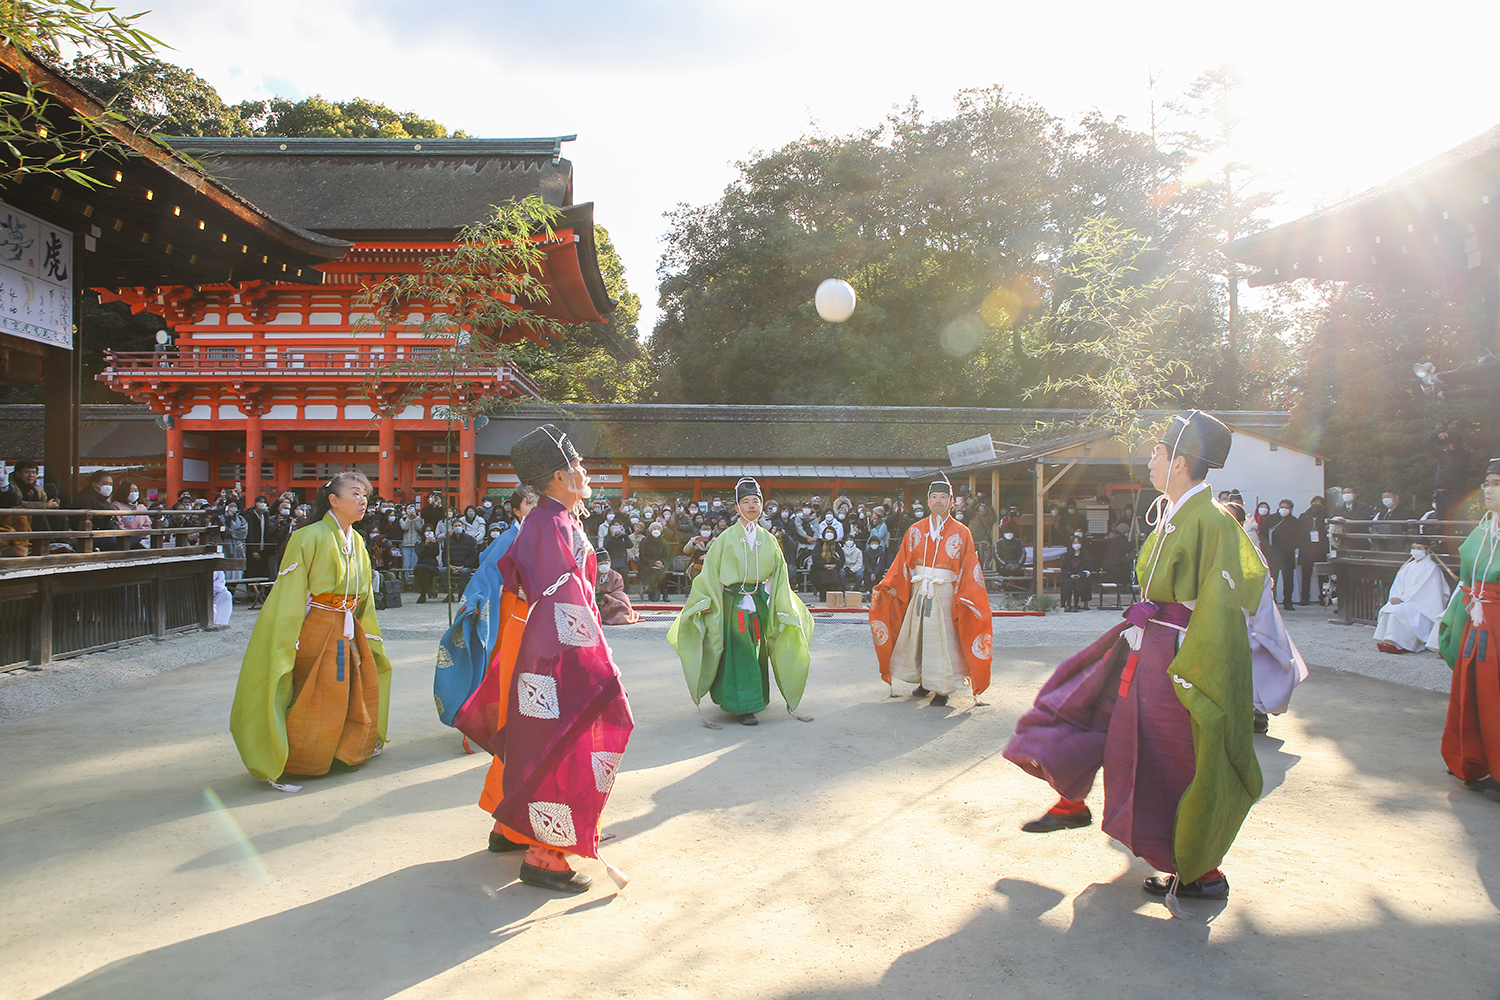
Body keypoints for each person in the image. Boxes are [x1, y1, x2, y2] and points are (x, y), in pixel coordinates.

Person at [1004, 410, 1265, 906]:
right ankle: (1090, 807)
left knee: (1180, 756)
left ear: (1182, 462)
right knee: (1109, 722)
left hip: (1182, 652)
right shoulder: (1173, 511)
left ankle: (1202, 868)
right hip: (1150, 640)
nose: (1150, 460)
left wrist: (1193, 660)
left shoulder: (1211, 520)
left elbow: (1226, 599)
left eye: (1159, 453)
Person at [452, 424, 634, 893]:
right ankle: (546, 856)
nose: (584, 471)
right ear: (558, 476)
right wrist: (597, 661)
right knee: (566, 742)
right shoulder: (551, 523)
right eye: (576, 466)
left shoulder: (554, 519)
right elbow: (565, 602)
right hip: (556, 656)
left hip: (543, 650)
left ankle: (511, 829)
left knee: (534, 740)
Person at [229, 472, 392, 792]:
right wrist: (293, 634)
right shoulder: (309, 536)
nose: (363, 501)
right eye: (356, 494)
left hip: (348, 624)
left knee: (350, 687)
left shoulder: (357, 539)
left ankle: (343, 751)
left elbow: (365, 595)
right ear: (333, 500)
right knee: (318, 693)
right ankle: (305, 758)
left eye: (366, 496)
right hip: (318, 622)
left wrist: (364, 629)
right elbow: (292, 592)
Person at [668, 477, 813, 727]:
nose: (751, 506)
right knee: (740, 650)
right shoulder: (726, 538)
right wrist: (703, 601)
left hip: (758, 602)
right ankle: (744, 706)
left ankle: (752, 698)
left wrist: (783, 605)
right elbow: (710, 572)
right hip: (733, 601)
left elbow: (779, 576)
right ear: (737, 507)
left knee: (758, 651)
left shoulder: (768, 539)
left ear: (762, 505)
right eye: (745, 501)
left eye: (755, 501)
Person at [869, 475, 992, 708]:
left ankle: (943, 688)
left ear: (951, 501)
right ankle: (925, 681)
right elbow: (902, 562)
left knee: (943, 639)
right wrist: (886, 587)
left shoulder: (962, 531)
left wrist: (965, 595)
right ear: (927, 501)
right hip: (919, 589)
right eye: (934, 497)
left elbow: (969, 567)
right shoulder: (915, 529)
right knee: (919, 636)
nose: (938, 501)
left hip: (945, 591)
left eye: (943, 497)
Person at [434, 486, 539, 737]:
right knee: (506, 663)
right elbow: (485, 575)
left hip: (535, 609)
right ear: (516, 511)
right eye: (529, 504)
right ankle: (499, 721)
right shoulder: (507, 539)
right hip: (510, 609)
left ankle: (527, 718)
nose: (535, 509)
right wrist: (475, 601)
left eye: (538, 504)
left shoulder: (540, 537)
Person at [1437, 455, 1500, 798]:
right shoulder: (1484, 527)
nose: (1488, 490)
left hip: (1497, 619)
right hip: (1476, 617)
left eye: (1496, 484)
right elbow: (1466, 579)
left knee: (1495, 695)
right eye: (1487, 484)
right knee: (1469, 689)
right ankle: (1471, 756)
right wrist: (1455, 617)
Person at [1375, 539, 1451, 654]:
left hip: (1420, 606)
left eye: (1420, 548)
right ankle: (1389, 640)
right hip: (1405, 602)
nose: (1416, 551)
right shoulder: (1408, 566)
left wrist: (1403, 599)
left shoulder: (1431, 568)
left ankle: (1402, 644)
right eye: (1414, 548)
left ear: (1427, 550)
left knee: (1396, 610)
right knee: (1389, 608)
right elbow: (1398, 584)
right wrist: (1395, 597)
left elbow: (1426, 590)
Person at [0, 459, 60, 557]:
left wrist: (53, 498)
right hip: (11, 517)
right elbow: (18, 503)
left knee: (58, 516)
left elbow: (47, 502)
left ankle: (61, 542)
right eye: (26, 472)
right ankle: (45, 544)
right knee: (31, 515)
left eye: (33, 472)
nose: (31, 475)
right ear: (17, 474)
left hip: (28, 516)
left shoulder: (36, 488)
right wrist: (45, 506)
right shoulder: (13, 485)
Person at [1260, 499, 1301, 611]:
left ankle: (1288, 601)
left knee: (1288, 580)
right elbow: (1262, 535)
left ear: (1291, 510)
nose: (1283, 510)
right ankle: (1272, 601)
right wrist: (1268, 547)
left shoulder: (1294, 522)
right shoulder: (1271, 519)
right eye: (1282, 507)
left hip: (1287, 555)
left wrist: (1290, 547)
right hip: (1273, 555)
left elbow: (1299, 538)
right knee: (1272, 579)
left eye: (1286, 508)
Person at [595, 549, 641, 625]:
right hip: (596, 598)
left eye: (606, 563)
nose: (604, 566)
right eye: (601, 564)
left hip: (611, 599)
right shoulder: (592, 575)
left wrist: (608, 598)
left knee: (623, 599)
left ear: (610, 563)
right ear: (597, 565)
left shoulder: (616, 576)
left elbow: (618, 591)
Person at [1298, 496, 1329, 606]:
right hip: (1306, 550)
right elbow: (1298, 532)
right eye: (1314, 503)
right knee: (1305, 576)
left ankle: (1324, 598)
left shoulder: (1326, 517)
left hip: (1320, 550)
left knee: (1323, 577)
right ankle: (1304, 598)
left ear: (1323, 506)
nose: (1316, 506)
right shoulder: (1303, 516)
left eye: (1319, 504)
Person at [1059, 537, 1092, 611]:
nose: (1076, 545)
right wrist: (1070, 575)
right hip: (1069, 576)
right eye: (1074, 543)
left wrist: (1080, 575)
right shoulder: (1066, 556)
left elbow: (1089, 569)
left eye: (1078, 543)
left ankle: (1075, 605)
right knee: (1067, 583)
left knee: (1077, 583)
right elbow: (1063, 568)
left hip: (1082, 577)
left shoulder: (1087, 556)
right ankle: (1068, 605)